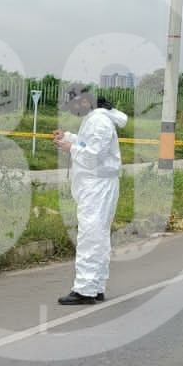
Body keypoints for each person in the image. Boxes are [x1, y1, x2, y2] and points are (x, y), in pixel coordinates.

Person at [53, 86, 128, 305]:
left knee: (89, 236)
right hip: (96, 185)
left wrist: (71, 149)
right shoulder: (95, 119)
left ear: (84, 103)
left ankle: (85, 290)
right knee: (99, 237)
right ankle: (96, 287)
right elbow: (89, 144)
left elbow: (94, 156)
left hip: (97, 186)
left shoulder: (99, 122)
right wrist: (69, 138)